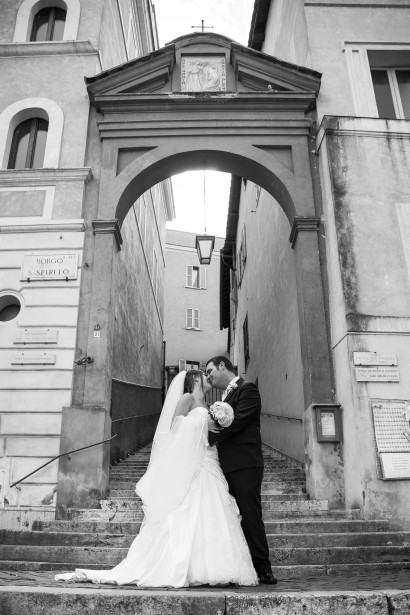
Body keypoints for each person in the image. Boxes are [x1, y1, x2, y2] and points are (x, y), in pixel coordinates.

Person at [55, 369, 258, 588]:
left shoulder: (208, 405)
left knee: (214, 510)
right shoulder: (187, 398)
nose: (209, 377)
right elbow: (173, 429)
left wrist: (218, 423)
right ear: (195, 378)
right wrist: (202, 424)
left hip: (209, 460)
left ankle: (218, 566)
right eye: (205, 374)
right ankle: (188, 567)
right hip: (195, 465)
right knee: (189, 510)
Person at [205, 356, 277, 585]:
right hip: (224, 465)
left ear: (222, 366)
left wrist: (209, 435)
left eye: (209, 371)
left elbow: (239, 420)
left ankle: (263, 568)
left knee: (250, 514)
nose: (208, 377)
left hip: (244, 463)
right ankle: (238, 567)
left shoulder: (248, 389)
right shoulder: (224, 396)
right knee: (230, 517)